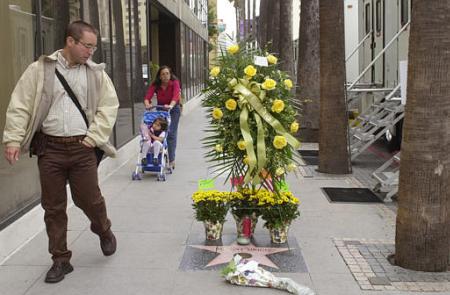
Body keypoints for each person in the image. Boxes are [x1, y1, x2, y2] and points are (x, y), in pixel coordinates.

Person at [2, 21, 119, 283]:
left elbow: (109, 107)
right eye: (87, 46)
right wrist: (13, 139)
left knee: (90, 200)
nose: (91, 51)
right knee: (53, 208)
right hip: (50, 149)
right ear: (70, 42)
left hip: (82, 148)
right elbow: (20, 103)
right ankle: (60, 259)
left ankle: (103, 230)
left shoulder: (96, 73)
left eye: (94, 47)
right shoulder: (40, 70)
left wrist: (94, 137)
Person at [144, 66, 181, 169]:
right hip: (161, 110)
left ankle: (172, 160)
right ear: (160, 76)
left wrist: (171, 105)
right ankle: (159, 155)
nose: (165, 76)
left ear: (170, 74)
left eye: (167, 73)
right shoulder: (156, 85)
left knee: (171, 133)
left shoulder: (174, 83)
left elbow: (175, 96)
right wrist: (147, 104)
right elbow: (148, 97)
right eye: (163, 74)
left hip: (173, 110)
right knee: (160, 131)